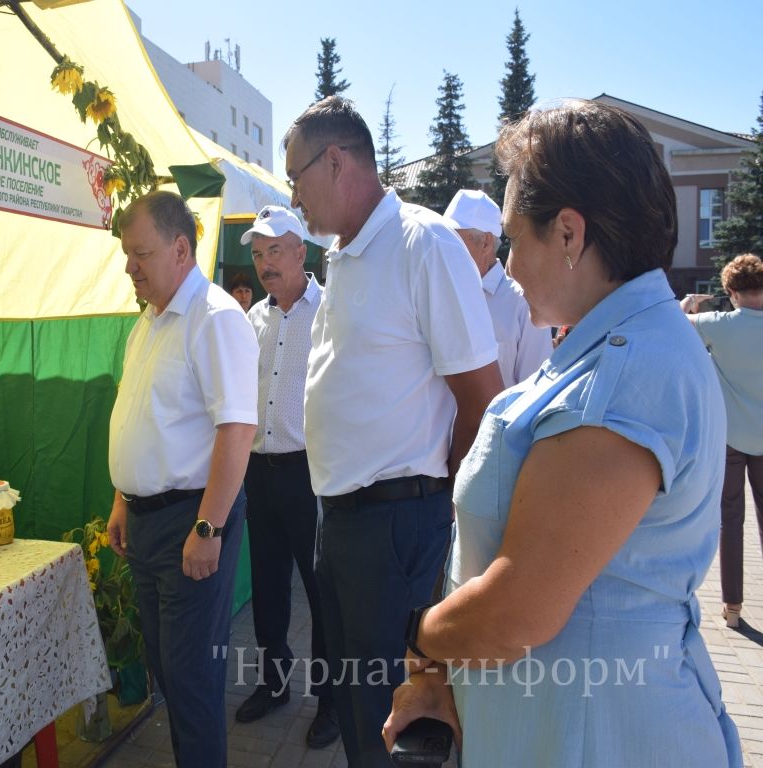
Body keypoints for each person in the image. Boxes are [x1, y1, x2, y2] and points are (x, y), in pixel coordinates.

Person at [386, 99, 742, 767]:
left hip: (598, 734)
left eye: (516, 237)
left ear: (570, 234)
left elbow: (518, 609)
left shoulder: (625, 372)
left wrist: (424, 642)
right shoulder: (613, 350)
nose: (510, 264)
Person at [284, 96, 503, 765]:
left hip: (399, 524)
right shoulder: (343, 256)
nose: (293, 197)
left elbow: (481, 398)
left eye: (295, 176)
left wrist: (438, 516)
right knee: (359, 713)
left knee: (397, 724)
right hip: (343, 523)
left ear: (336, 161)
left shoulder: (423, 242)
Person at [106, 190, 258, 767]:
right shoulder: (148, 323)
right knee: (169, 671)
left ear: (180, 248)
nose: (129, 266)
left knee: (192, 683)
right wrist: (123, 500)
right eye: (126, 253)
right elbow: (142, 417)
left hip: (189, 521)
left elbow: (237, 431)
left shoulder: (214, 318)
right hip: (147, 523)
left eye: (140, 253)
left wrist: (207, 527)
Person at [233, 205, 338, 748]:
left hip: (309, 473)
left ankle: (331, 701)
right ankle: (273, 683)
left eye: (275, 251)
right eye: (257, 254)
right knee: (269, 586)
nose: (265, 264)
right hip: (260, 470)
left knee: (322, 593)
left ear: (303, 252)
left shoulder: (331, 314)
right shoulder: (254, 321)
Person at [681, 253, 763, 629]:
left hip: (729, 438)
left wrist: (687, 304)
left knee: (731, 521)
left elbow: (675, 324)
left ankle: (732, 608)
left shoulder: (717, 324)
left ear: (731, 291)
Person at [444, 189, 551, 386]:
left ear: (485, 243)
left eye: (455, 240)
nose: (444, 248)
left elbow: (535, 387)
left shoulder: (524, 303)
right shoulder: (441, 293)